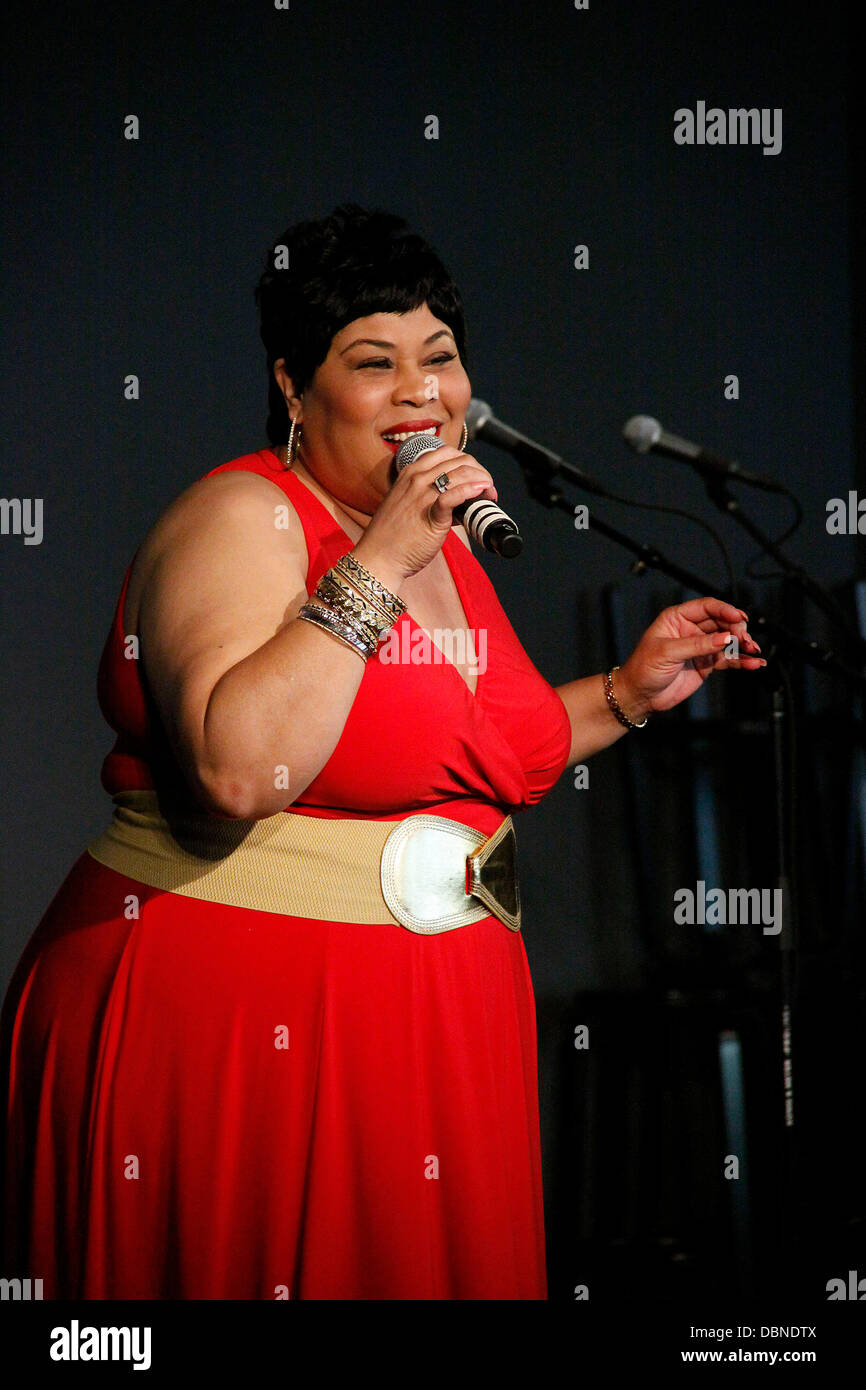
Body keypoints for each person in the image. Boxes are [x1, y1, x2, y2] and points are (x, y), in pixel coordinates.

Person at [0, 204, 764, 1301]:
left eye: (440, 359)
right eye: (373, 361)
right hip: (245, 1023)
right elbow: (235, 768)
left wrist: (624, 694)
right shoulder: (242, 518)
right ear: (292, 387)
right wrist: (381, 557)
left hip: (431, 1028)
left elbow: (462, 758)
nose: (420, 392)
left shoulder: (445, 552)